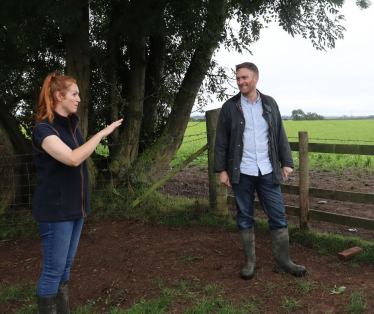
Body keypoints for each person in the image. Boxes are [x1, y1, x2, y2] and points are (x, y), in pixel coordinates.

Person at [32, 72, 123, 313]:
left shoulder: (71, 126)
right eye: (74, 94)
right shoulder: (43, 130)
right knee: (53, 270)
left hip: (75, 209)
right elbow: (73, 159)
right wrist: (102, 134)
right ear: (58, 96)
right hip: (55, 211)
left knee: (65, 268)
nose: (79, 99)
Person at [214, 62, 306, 280]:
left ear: (255, 79)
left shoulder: (270, 103)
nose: (240, 82)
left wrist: (287, 162)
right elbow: (221, 141)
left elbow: (279, 134)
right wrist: (222, 170)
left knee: (278, 215)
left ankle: (283, 261)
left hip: (267, 170)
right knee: (245, 216)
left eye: (244, 77)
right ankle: (250, 263)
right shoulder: (230, 107)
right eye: (238, 78)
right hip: (241, 172)